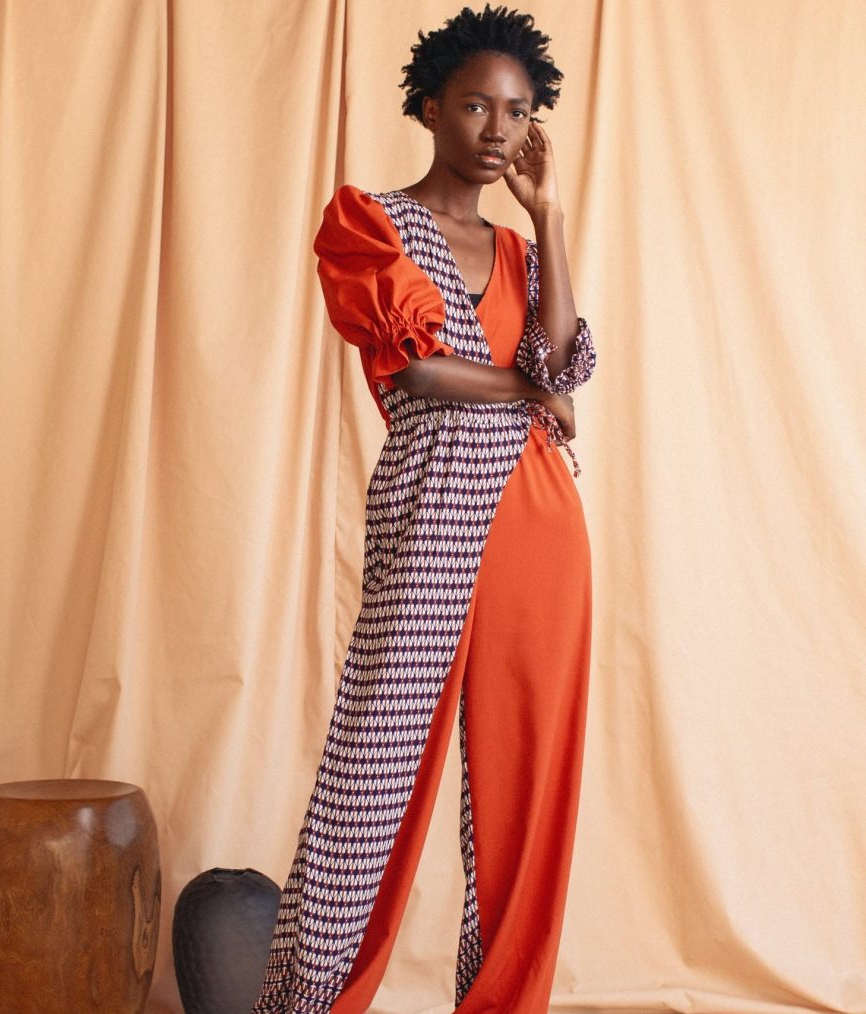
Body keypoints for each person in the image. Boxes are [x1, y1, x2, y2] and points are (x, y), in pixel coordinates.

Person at [253, 6, 596, 1012]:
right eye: (477, 105)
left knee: (529, 777)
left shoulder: (522, 250)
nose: (498, 128)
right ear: (430, 107)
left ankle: (506, 1000)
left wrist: (550, 216)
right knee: (374, 771)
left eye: (517, 111)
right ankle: (313, 998)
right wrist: (533, 392)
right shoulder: (369, 221)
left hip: (539, 516)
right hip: (430, 509)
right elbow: (420, 368)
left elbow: (562, 356)